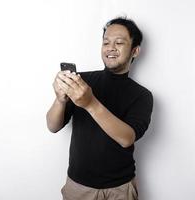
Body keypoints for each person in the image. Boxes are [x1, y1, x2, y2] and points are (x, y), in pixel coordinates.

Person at [46, 16, 153, 200]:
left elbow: (127, 138)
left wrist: (90, 103)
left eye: (119, 43)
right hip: (78, 186)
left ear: (135, 51)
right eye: (106, 42)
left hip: (120, 188)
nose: (111, 48)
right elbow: (52, 126)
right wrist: (60, 100)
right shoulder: (81, 81)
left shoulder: (142, 95)